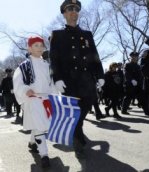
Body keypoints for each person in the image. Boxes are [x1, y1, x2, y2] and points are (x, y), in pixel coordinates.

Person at [49, 0, 104, 159]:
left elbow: (95, 56)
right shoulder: (57, 35)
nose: (74, 11)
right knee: (73, 112)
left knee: (85, 108)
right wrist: (57, 78)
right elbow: (54, 59)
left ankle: (77, 130)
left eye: (76, 9)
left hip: (87, 80)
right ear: (64, 13)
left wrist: (100, 75)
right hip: (69, 81)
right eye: (70, 9)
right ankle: (78, 139)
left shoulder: (87, 34)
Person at [13, 36, 53, 168]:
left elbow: (50, 82)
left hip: (46, 99)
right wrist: (26, 89)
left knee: (39, 125)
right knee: (39, 125)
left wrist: (55, 91)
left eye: (41, 45)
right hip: (32, 100)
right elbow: (18, 82)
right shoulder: (24, 66)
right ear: (29, 48)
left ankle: (32, 142)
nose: (39, 48)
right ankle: (44, 155)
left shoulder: (47, 65)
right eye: (36, 45)